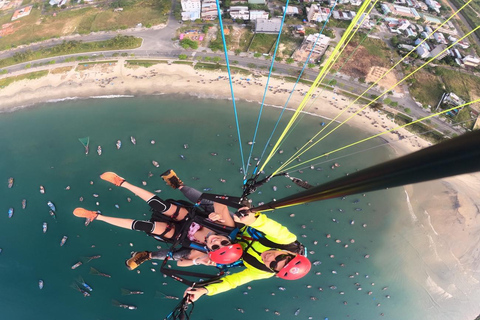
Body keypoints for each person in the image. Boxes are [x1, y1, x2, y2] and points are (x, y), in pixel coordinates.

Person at [144, 170, 311, 301]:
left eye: (273, 265)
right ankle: (179, 186)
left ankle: (148, 255)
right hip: (237, 228)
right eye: (278, 257)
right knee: (209, 205)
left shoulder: (262, 271)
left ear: (273, 271)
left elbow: (234, 282)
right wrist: (252, 220)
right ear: (288, 253)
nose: (269, 258)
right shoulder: (286, 241)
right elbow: (272, 228)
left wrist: (205, 290)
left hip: (229, 249)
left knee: (183, 254)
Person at [72, 172, 243, 267]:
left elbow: (182, 263)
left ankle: (97, 216)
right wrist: (217, 216)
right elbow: (221, 206)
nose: (217, 241)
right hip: (192, 218)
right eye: (223, 243)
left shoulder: (205, 253)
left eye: (215, 246)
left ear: (211, 250)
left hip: (179, 233)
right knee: (164, 207)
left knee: (145, 226)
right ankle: (123, 182)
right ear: (229, 240)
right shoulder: (226, 229)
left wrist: (199, 261)